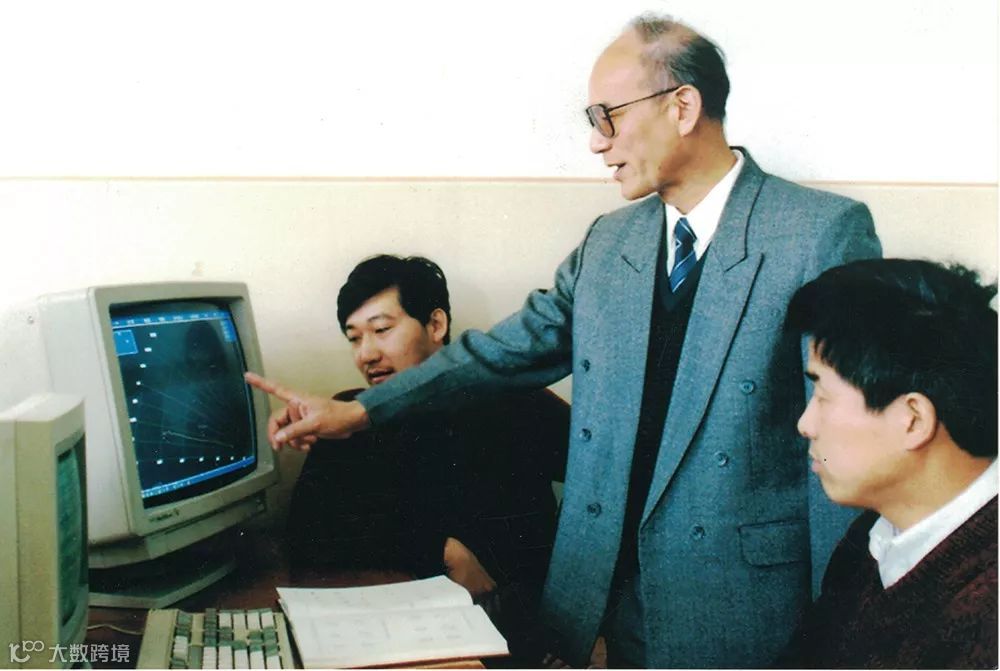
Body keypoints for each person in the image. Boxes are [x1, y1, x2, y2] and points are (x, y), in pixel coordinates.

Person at [247, 14, 882, 667]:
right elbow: (502, 354)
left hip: (747, 611)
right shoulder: (609, 243)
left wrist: (843, 630)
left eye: (608, 116)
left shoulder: (820, 234)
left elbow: (850, 445)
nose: (596, 142)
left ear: (683, 106)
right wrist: (359, 412)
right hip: (608, 604)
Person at [285, 254, 569, 666]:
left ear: (436, 325)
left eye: (381, 330)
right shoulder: (348, 414)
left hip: (508, 641)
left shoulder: (518, 403)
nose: (367, 354)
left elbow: (609, 488)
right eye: (354, 338)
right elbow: (305, 535)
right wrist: (438, 549)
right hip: (393, 635)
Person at [775, 259, 997, 669]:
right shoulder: (870, 538)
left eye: (823, 397)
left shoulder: (987, 619)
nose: (805, 425)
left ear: (912, 420)